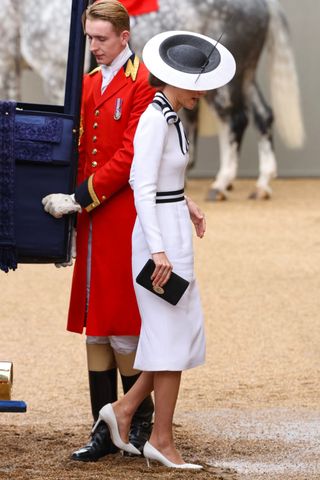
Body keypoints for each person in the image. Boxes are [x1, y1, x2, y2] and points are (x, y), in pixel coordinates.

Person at [90, 31, 236, 468]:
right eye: (201, 83)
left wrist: (186, 203)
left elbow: (163, 180)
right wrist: (157, 250)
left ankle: (123, 410)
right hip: (159, 240)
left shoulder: (171, 114)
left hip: (172, 229)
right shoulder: (156, 118)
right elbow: (141, 183)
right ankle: (160, 438)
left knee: (179, 334)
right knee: (170, 339)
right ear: (181, 82)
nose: (205, 91)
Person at [41, 0, 155, 462]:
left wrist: (79, 196)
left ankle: (138, 425)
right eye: (89, 38)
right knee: (95, 327)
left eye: (102, 39)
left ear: (124, 38)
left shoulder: (143, 83)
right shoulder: (88, 83)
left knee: (122, 324)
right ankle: (104, 430)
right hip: (91, 218)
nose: (94, 46)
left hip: (122, 217)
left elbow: (129, 157)